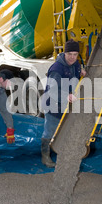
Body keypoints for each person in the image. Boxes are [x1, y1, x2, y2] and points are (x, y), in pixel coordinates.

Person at [41, 39, 86, 168]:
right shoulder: (56, 69)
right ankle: (45, 157)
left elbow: (76, 73)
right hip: (53, 105)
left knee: (67, 129)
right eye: (69, 54)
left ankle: (65, 154)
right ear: (64, 53)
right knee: (49, 131)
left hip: (67, 104)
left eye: (75, 54)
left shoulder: (76, 64)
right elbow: (52, 90)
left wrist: (81, 71)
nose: (72, 57)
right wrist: (67, 96)